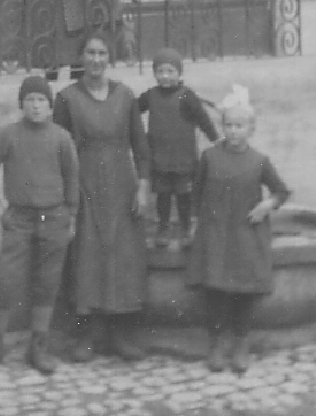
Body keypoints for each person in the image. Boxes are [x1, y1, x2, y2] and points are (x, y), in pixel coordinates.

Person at [0, 74, 79, 375]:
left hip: (53, 218)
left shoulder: (61, 138)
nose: (35, 106)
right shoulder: (10, 135)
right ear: (22, 104)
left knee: (47, 282)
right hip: (19, 218)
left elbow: (72, 178)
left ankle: (38, 345)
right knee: (6, 280)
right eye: (30, 100)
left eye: (41, 100)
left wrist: (71, 215)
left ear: (50, 106)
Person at [53, 32, 150, 363]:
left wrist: (143, 187)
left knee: (123, 258)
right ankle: (87, 336)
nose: (96, 59)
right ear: (80, 57)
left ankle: (120, 335)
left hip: (122, 188)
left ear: (110, 58)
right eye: (90, 53)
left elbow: (140, 145)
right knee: (87, 258)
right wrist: (68, 196)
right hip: (85, 187)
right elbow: (59, 149)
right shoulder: (67, 99)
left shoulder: (125, 96)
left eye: (102, 53)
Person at [184, 86, 290, 375]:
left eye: (239, 126)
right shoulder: (209, 157)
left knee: (244, 291)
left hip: (246, 235)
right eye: (228, 125)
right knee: (216, 290)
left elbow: (281, 191)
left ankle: (242, 343)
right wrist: (194, 224)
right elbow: (196, 193)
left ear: (251, 129)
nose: (233, 131)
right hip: (216, 233)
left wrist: (267, 205)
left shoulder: (259, 161)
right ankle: (217, 344)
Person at [137, 47, 219, 251]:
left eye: (170, 71)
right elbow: (132, 110)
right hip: (159, 157)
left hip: (183, 158)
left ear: (179, 73)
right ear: (154, 73)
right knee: (163, 195)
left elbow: (203, 119)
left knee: (184, 195)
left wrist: (216, 139)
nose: (165, 76)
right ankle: (163, 228)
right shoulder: (150, 96)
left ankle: (185, 228)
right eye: (160, 71)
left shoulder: (187, 96)